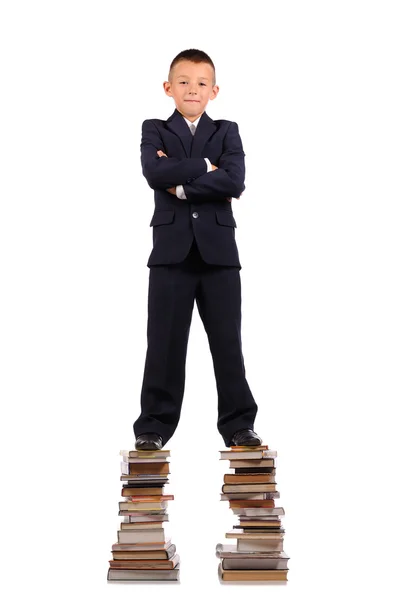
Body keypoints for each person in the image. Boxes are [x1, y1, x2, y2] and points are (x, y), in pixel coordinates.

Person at [133, 48, 262, 450]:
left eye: (202, 83)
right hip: (170, 253)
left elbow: (235, 182)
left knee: (227, 342)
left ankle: (240, 424)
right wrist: (208, 168)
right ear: (168, 87)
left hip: (219, 253)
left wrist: (185, 183)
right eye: (184, 82)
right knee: (164, 342)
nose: (193, 89)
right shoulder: (154, 128)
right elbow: (154, 172)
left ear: (215, 91)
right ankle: (153, 426)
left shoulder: (227, 130)